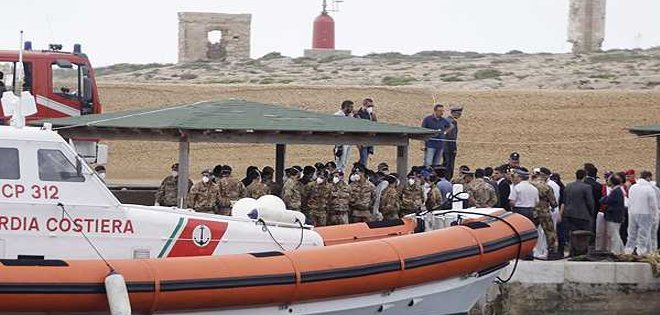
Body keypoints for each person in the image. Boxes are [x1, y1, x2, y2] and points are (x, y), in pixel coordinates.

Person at [561, 169, 595, 256]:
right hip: (583, 215)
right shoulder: (586, 187)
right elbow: (590, 202)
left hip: (569, 214)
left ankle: (573, 251)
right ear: (584, 176)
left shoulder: (568, 186)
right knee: (584, 234)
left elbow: (565, 200)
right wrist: (591, 213)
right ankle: (582, 251)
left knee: (572, 233)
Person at [625, 171, 659, 255]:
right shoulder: (649, 189)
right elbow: (653, 204)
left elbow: (630, 200)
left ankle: (628, 251)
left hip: (633, 212)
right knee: (644, 235)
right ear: (648, 177)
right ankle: (642, 252)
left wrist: (630, 211)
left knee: (631, 234)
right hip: (645, 213)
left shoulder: (633, 187)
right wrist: (655, 215)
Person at [531, 169, 559, 258]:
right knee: (549, 231)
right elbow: (553, 202)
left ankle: (531, 251)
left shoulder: (531, 185)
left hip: (533, 210)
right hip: (544, 211)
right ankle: (551, 251)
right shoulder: (546, 187)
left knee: (532, 231)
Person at [599, 175, 625, 254]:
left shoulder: (615, 191)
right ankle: (621, 250)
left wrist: (603, 198)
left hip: (613, 216)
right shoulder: (618, 190)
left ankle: (615, 251)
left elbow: (606, 200)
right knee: (616, 234)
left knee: (614, 235)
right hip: (616, 216)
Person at [354, 98, 377, 167]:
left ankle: (356, 168)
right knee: (363, 159)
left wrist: (373, 115)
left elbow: (375, 123)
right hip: (362, 140)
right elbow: (358, 126)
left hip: (369, 139)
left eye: (372, 106)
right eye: (369, 106)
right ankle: (361, 171)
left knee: (364, 158)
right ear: (364, 105)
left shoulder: (371, 114)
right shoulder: (358, 113)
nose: (371, 108)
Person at [334, 100, 354, 171]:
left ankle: (341, 176)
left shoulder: (351, 116)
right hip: (341, 141)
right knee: (340, 161)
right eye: (351, 107)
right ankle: (337, 177)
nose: (352, 109)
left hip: (349, 141)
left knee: (345, 162)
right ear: (346, 107)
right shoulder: (337, 115)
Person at [442, 106, 462, 180]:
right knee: (449, 165)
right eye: (458, 114)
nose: (460, 115)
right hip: (449, 147)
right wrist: (454, 148)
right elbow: (451, 137)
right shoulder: (453, 122)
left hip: (444, 147)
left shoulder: (445, 120)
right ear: (453, 113)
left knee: (445, 164)